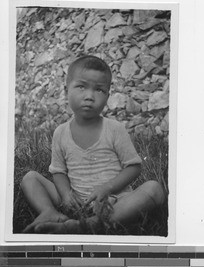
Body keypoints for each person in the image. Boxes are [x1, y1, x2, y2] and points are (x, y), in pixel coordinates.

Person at [20, 55, 165, 234]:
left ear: (107, 96)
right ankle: (49, 212)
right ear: (66, 91)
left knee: (154, 189)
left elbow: (133, 167)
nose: (89, 96)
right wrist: (66, 195)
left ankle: (89, 224)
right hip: (75, 199)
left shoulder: (114, 129)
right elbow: (58, 171)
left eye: (99, 90)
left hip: (114, 200)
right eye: (81, 86)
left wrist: (108, 187)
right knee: (30, 178)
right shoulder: (61, 132)